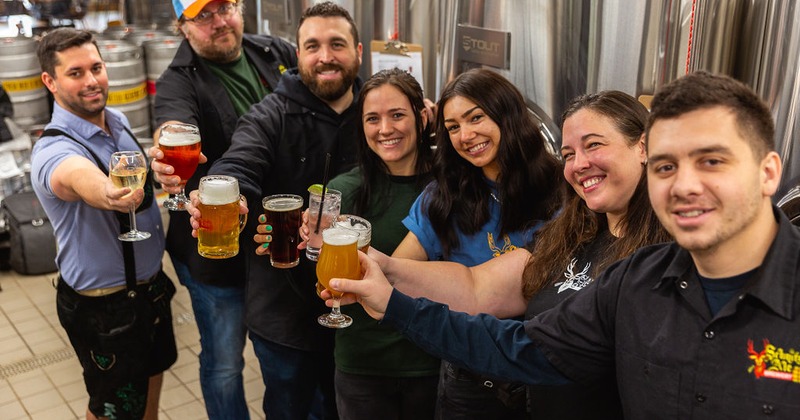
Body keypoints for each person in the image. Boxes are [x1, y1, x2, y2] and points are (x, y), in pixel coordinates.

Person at [332, 71, 797, 419]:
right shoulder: (626, 270)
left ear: (768, 172)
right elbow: (510, 331)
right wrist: (386, 290)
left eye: (711, 161)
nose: (685, 185)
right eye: (668, 166)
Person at [361, 90, 670, 418]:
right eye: (568, 154)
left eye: (594, 145)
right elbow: (476, 286)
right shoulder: (572, 235)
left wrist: (396, 306)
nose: (579, 164)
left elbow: (534, 351)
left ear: (644, 146)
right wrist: (384, 267)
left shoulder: (665, 258)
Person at [178, 2, 362, 418]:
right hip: (285, 313)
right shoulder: (270, 114)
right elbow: (240, 159)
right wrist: (232, 194)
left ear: (359, 52)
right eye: (312, 45)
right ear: (297, 55)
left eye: (337, 44)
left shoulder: (375, 115)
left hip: (359, 308)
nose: (325, 56)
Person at [260, 68, 440, 418]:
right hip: (363, 366)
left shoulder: (451, 187)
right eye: (372, 118)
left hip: (435, 360)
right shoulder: (341, 191)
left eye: (398, 115)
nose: (385, 129)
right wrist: (295, 248)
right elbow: (321, 284)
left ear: (422, 116)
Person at [148, 0, 296, 417]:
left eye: (225, 7)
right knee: (226, 360)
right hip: (215, 243)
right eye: (204, 16)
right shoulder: (178, 80)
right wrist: (166, 147)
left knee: (285, 354)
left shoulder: (274, 51)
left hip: (275, 236)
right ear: (183, 27)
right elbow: (172, 125)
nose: (220, 22)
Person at [391, 68, 562, 419]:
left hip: (549, 374)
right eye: (453, 127)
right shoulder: (443, 198)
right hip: (470, 380)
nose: (465, 135)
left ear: (507, 114)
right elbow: (398, 270)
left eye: (476, 118)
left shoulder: (563, 190)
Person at [30, 28, 176, 420]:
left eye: (96, 67)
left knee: (148, 389)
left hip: (149, 291)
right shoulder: (53, 148)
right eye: (76, 73)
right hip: (105, 309)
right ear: (50, 81)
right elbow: (75, 177)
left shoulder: (119, 120)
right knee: (113, 411)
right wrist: (109, 193)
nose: (92, 80)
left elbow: (137, 165)